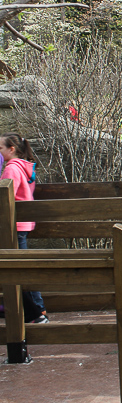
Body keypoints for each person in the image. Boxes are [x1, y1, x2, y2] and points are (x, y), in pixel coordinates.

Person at [0, 133, 48, 323]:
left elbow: (6, 193)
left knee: (18, 268)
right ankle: (38, 309)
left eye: (1, 149)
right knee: (22, 265)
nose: (0, 153)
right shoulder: (25, 166)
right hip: (23, 223)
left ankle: (37, 311)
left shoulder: (12, 168)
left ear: (11, 149)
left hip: (14, 224)